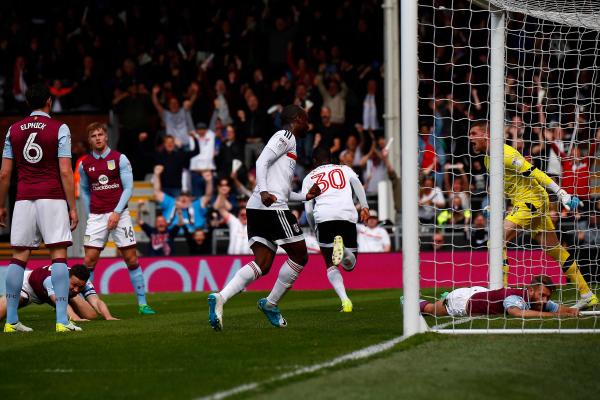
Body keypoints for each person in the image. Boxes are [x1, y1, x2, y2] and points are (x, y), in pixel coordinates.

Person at [207, 105, 321, 331]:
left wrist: (304, 196)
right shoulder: (285, 135)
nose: (308, 125)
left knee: (263, 263)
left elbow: (284, 190)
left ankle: (221, 297)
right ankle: (271, 303)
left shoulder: (290, 144)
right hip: (271, 206)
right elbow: (261, 162)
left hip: (257, 207)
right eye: (306, 120)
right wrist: (265, 191)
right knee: (300, 255)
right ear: (297, 119)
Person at [469, 121, 597, 309]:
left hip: (532, 201)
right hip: (528, 202)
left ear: (486, 135)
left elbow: (535, 172)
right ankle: (587, 294)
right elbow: (511, 184)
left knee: (496, 241)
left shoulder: (506, 154)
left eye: (474, 133)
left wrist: (562, 194)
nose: (470, 138)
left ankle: (501, 294)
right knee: (555, 250)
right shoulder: (488, 159)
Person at [0, 83, 79, 333]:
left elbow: (4, 174)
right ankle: (62, 320)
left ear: (27, 103)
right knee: (58, 256)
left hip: (23, 199)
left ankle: (11, 322)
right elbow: (66, 170)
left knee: (18, 258)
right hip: (52, 198)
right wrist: (73, 207)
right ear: (49, 102)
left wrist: (1, 205)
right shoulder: (59, 128)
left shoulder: (13, 130)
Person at [79, 122, 156, 315]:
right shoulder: (84, 164)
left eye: (100, 134)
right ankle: (85, 304)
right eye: (93, 135)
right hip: (96, 217)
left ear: (106, 137)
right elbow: (84, 190)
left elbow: (129, 188)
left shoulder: (119, 159)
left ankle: (142, 304)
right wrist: (91, 211)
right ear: (90, 140)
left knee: (131, 259)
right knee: (89, 260)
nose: (97, 138)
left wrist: (116, 212)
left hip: (120, 215)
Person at [302, 146, 370, 312]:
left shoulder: (309, 177)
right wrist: (365, 206)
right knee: (350, 265)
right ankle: (345, 251)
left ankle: (345, 301)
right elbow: (357, 184)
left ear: (314, 161)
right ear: (331, 158)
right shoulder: (344, 169)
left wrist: (313, 227)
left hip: (324, 217)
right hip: (346, 214)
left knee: (330, 264)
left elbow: (308, 208)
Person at [417, 275, 579, 318]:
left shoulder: (538, 300)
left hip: (479, 293)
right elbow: (515, 312)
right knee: (431, 309)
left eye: (547, 297)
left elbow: (557, 307)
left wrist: (571, 311)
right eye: (542, 295)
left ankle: (446, 297)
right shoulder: (515, 299)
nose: (544, 300)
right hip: (463, 303)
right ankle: (412, 303)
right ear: (530, 290)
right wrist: (551, 315)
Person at [0, 264, 117, 323]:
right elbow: (59, 302)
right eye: (74, 285)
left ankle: (71, 299)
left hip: (55, 294)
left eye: (80, 287)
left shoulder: (83, 282)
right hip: (28, 287)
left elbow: (96, 301)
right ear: (67, 278)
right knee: (7, 307)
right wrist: (76, 319)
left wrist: (108, 317)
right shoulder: (54, 279)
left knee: (90, 315)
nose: (77, 289)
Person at [153, 165, 212, 233]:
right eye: (181, 195)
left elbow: (208, 195)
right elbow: (157, 192)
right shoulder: (170, 202)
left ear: (191, 198)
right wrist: (156, 175)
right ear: (177, 197)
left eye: (187, 196)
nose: (184, 198)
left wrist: (209, 181)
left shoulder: (197, 204)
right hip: (171, 236)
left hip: (193, 236)